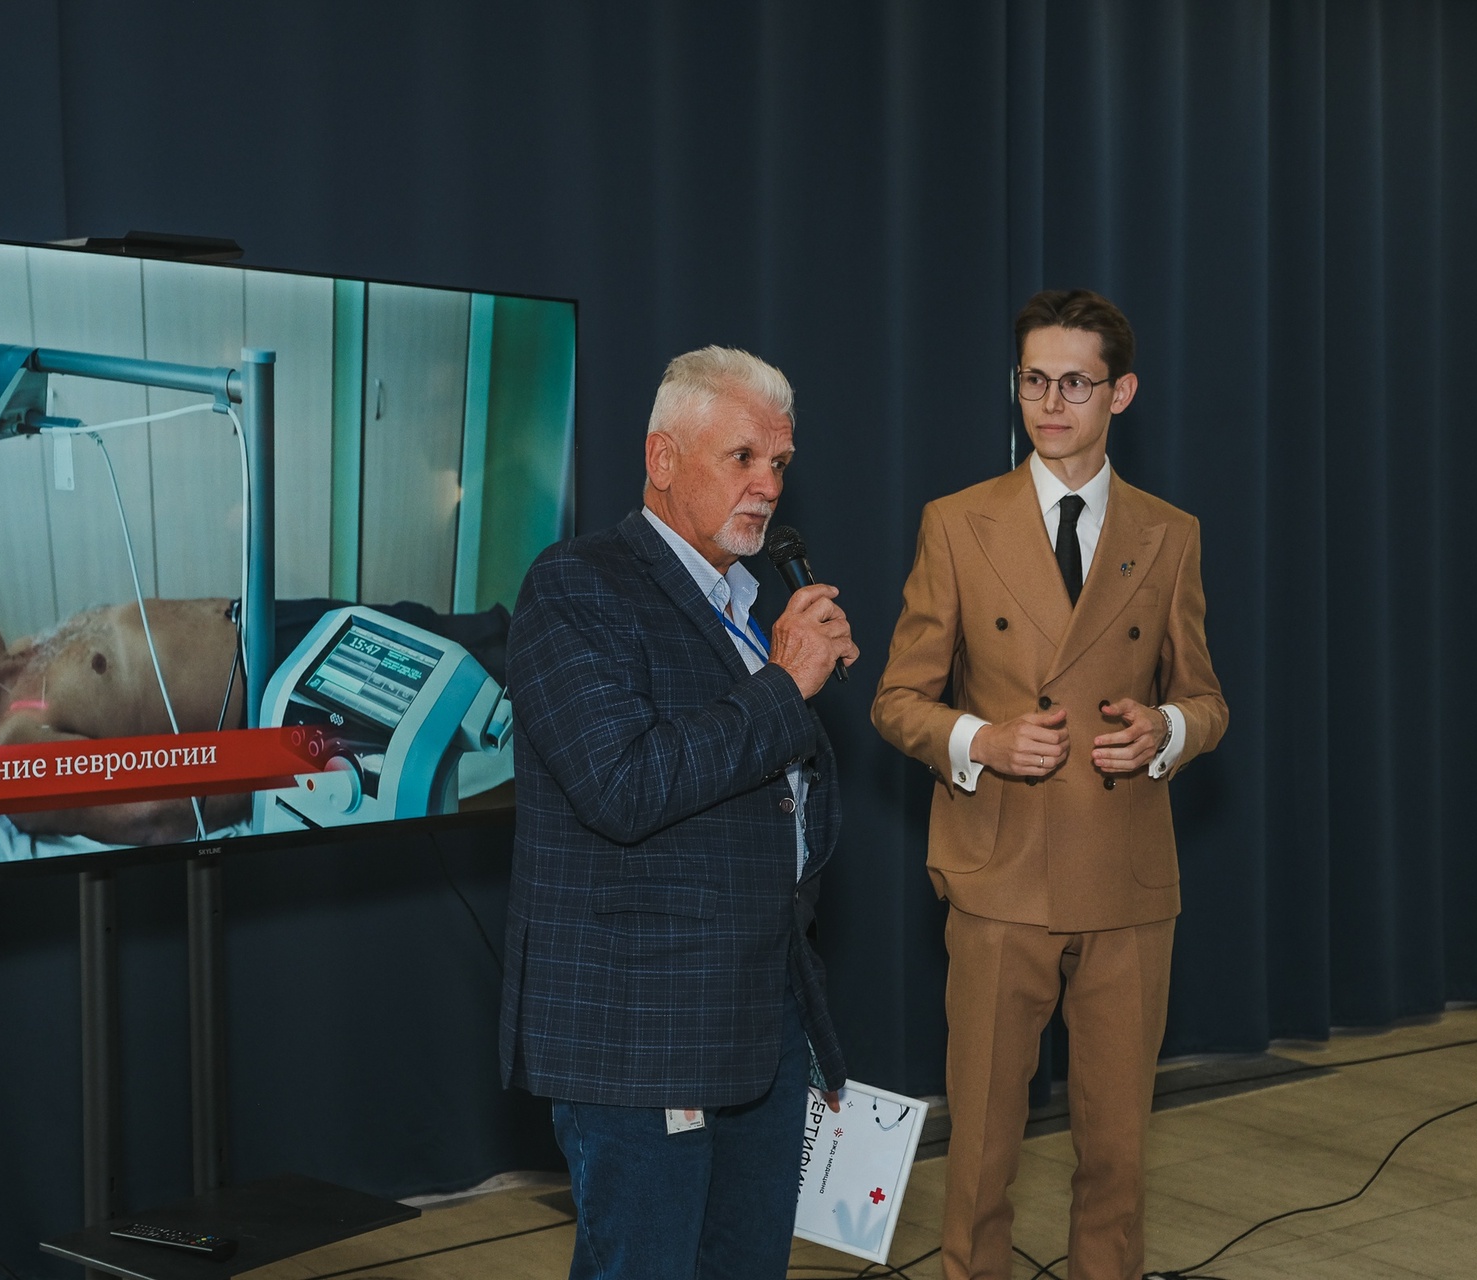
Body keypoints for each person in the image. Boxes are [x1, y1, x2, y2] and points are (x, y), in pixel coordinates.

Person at [872, 290, 1228, 1280]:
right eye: (1034, 380)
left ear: (1122, 392)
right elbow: (897, 700)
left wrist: (1167, 730)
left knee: (1117, 1157)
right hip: (999, 879)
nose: (1051, 402)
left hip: (1126, 882)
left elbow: (1207, 699)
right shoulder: (957, 524)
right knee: (981, 1155)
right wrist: (983, 739)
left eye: (1075, 382)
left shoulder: (1170, 533)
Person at [501, 346, 859, 1279]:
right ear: (662, 458)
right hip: (643, 1030)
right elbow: (624, 787)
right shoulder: (576, 585)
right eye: (742, 457)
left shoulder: (746, 606)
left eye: (779, 462)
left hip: (762, 1014)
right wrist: (783, 685)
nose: (768, 484)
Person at [0, 596, 508, 844]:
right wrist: (290, 765)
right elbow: (149, 814)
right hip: (282, 697)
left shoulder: (30, 650)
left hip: (278, 626)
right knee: (490, 689)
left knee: (454, 633)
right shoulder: (12, 751)